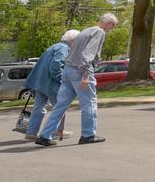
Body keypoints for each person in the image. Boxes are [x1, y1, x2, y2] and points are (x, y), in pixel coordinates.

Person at [35, 12, 118, 147]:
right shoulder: (99, 32)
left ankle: (45, 135)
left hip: (68, 70)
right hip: (80, 71)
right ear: (108, 23)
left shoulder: (85, 31)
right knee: (89, 103)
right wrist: (86, 75)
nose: (112, 29)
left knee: (60, 105)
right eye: (113, 26)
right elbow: (88, 54)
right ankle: (88, 134)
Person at [23, 30, 78, 141]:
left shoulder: (54, 46)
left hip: (40, 83)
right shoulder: (64, 49)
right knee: (60, 107)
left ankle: (31, 132)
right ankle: (57, 131)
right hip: (51, 84)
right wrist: (63, 80)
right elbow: (56, 67)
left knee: (39, 107)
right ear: (72, 40)